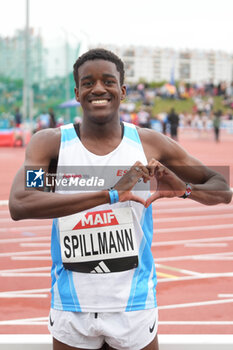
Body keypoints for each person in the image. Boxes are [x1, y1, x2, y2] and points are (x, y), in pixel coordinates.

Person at [9, 48, 232, 350]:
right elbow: (21, 203)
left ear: (123, 91)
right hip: (72, 305)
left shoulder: (148, 143)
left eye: (108, 82)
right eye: (88, 83)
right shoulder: (52, 145)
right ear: (77, 92)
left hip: (134, 305)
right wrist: (111, 193)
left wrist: (184, 189)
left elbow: (221, 187)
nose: (98, 88)